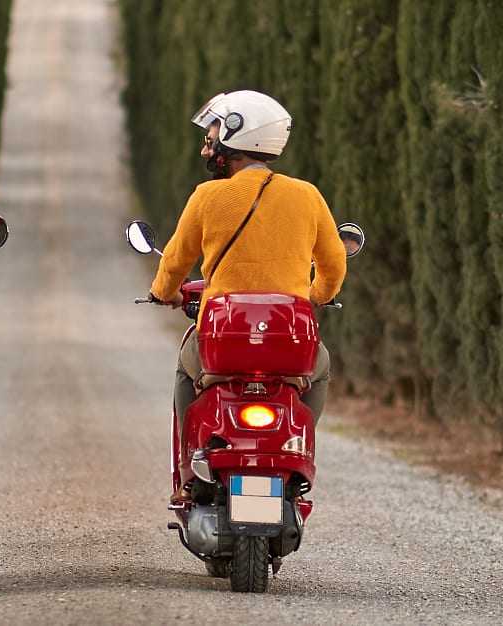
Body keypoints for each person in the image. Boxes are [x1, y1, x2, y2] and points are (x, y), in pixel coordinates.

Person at [147, 90, 347, 501]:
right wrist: (316, 296)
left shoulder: (207, 197)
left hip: (224, 340)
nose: (209, 140)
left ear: (238, 134)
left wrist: (162, 292)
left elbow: (175, 261)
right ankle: (293, 447)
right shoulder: (307, 196)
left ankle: (189, 472)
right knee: (320, 367)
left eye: (215, 130)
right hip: (289, 342)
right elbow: (333, 265)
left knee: (188, 371)